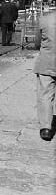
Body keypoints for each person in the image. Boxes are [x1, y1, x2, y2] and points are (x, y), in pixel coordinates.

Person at [34, 11, 56, 141]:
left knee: (45, 95)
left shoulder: (44, 19)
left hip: (47, 62)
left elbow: (37, 42)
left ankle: (46, 128)